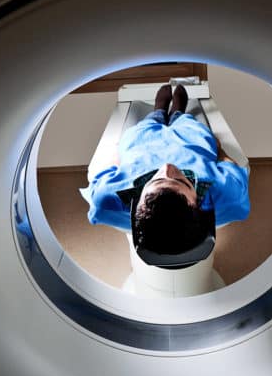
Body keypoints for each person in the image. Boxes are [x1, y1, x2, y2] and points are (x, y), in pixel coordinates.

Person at [80, 84, 250, 256]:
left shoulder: (105, 198)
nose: (167, 167)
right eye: (182, 180)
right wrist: (218, 148)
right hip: (189, 141)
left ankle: (159, 109)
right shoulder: (230, 195)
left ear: (136, 206)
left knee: (148, 124)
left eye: (156, 179)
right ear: (199, 205)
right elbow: (230, 165)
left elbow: (110, 167)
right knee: (186, 123)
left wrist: (120, 151)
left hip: (144, 143)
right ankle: (178, 112)